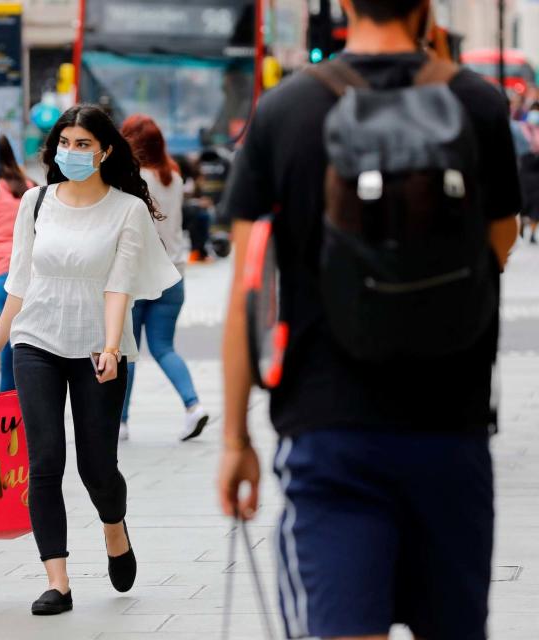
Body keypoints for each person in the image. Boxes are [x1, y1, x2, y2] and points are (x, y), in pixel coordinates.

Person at [218, 0, 521, 637]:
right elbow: (496, 249)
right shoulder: (478, 104)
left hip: (329, 434)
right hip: (452, 428)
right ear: (426, 5)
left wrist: (234, 441)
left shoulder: (284, 110)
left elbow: (248, 291)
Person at [0, 105, 180, 616]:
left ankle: (114, 528)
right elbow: (19, 282)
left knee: (97, 467)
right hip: (36, 339)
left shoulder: (127, 209)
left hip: (96, 346)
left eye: (83, 144)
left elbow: (118, 285)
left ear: (105, 151)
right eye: (66, 142)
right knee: (44, 461)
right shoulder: (35, 203)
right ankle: (57, 582)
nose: (72, 152)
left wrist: (108, 347)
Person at [118, 115, 208, 442]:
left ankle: (121, 422)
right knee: (164, 348)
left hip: (140, 276)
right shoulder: (172, 174)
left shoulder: (131, 177)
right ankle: (193, 406)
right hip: (174, 275)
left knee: (127, 351)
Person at [0, 135, 35, 392]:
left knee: (7, 339)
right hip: (33, 272)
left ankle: (7, 396)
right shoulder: (27, 186)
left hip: (3, 271)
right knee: (26, 339)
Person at [515, 104, 539, 244]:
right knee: (533, 202)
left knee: (530, 201)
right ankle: (529, 228)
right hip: (529, 168)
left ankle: (526, 226)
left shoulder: (521, 128)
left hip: (527, 167)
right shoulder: (522, 128)